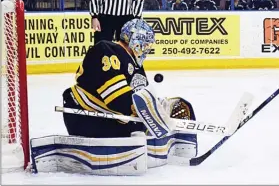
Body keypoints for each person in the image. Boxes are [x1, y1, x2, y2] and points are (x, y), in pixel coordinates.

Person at [30, 19, 198, 176]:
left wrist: (159, 108)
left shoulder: (137, 66)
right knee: (139, 134)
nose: (147, 48)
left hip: (113, 118)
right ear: (135, 40)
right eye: (146, 42)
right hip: (84, 116)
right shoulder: (106, 49)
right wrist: (153, 115)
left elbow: (139, 101)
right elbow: (120, 102)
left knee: (176, 109)